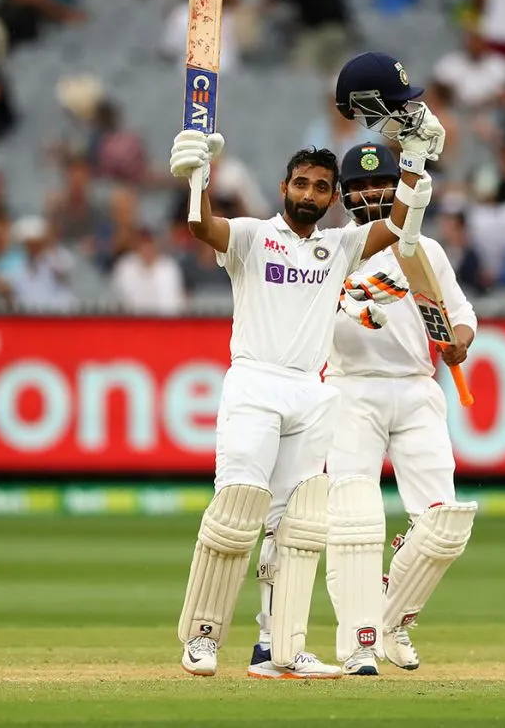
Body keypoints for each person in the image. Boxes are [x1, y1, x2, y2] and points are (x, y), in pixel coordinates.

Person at [169, 51, 442, 680]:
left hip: (308, 394)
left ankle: (278, 647)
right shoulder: (251, 236)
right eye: (302, 184)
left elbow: (399, 228)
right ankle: (204, 637)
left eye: (323, 187)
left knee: (294, 528)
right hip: (255, 384)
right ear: (284, 188)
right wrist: (195, 174)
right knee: (239, 506)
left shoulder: (338, 246)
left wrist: (417, 163)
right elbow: (200, 225)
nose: (312, 194)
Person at [305, 142, 477, 676]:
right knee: (351, 524)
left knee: (442, 525)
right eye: (359, 186)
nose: (371, 193)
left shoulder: (424, 250)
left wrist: (460, 343)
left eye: (380, 184)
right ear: (344, 196)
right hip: (352, 391)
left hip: (417, 388)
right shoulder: (328, 251)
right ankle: (356, 643)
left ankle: (392, 620)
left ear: (397, 190)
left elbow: (460, 313)